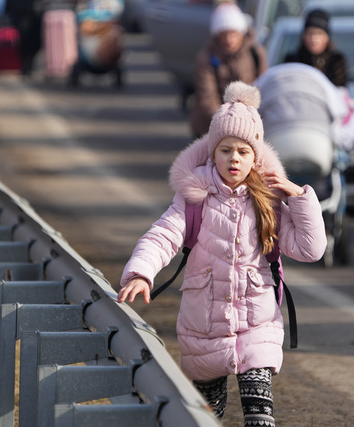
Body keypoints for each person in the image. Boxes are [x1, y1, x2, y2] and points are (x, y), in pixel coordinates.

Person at [118, 81, 326, 426]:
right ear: (212, 153)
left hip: (258, 324)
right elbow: (163, 237)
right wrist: (140, 272)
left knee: (260, 417)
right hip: (203, 328)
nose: (234, 158)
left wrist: (299, 196)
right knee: (205, 418)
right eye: (226, 150)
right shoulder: (193, 198)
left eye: (243, 152)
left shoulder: (270, 202)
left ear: (255, 157)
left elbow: (310, 249)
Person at [189, 2, 268, 138]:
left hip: (249, 126)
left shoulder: (255, 53)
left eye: (234, 34)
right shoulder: (206, 57)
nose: (229, 40)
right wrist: (228, 123)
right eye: (224, 35)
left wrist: (250, 119)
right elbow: (207, 98)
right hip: (210, 127)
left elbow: (265, 85)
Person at [284, 9, 347, 87]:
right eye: (310, 33)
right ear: (303, 36)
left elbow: (339, 90)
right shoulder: (292, 61)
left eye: (319, 33)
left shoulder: (336, 61)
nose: (314, 39)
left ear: (327, 37)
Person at [5, 0, 44, 77]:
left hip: (34, 16)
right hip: (20, 15)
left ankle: (28, 63)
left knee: (35, 42)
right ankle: (25, 64)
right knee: (23, 41)